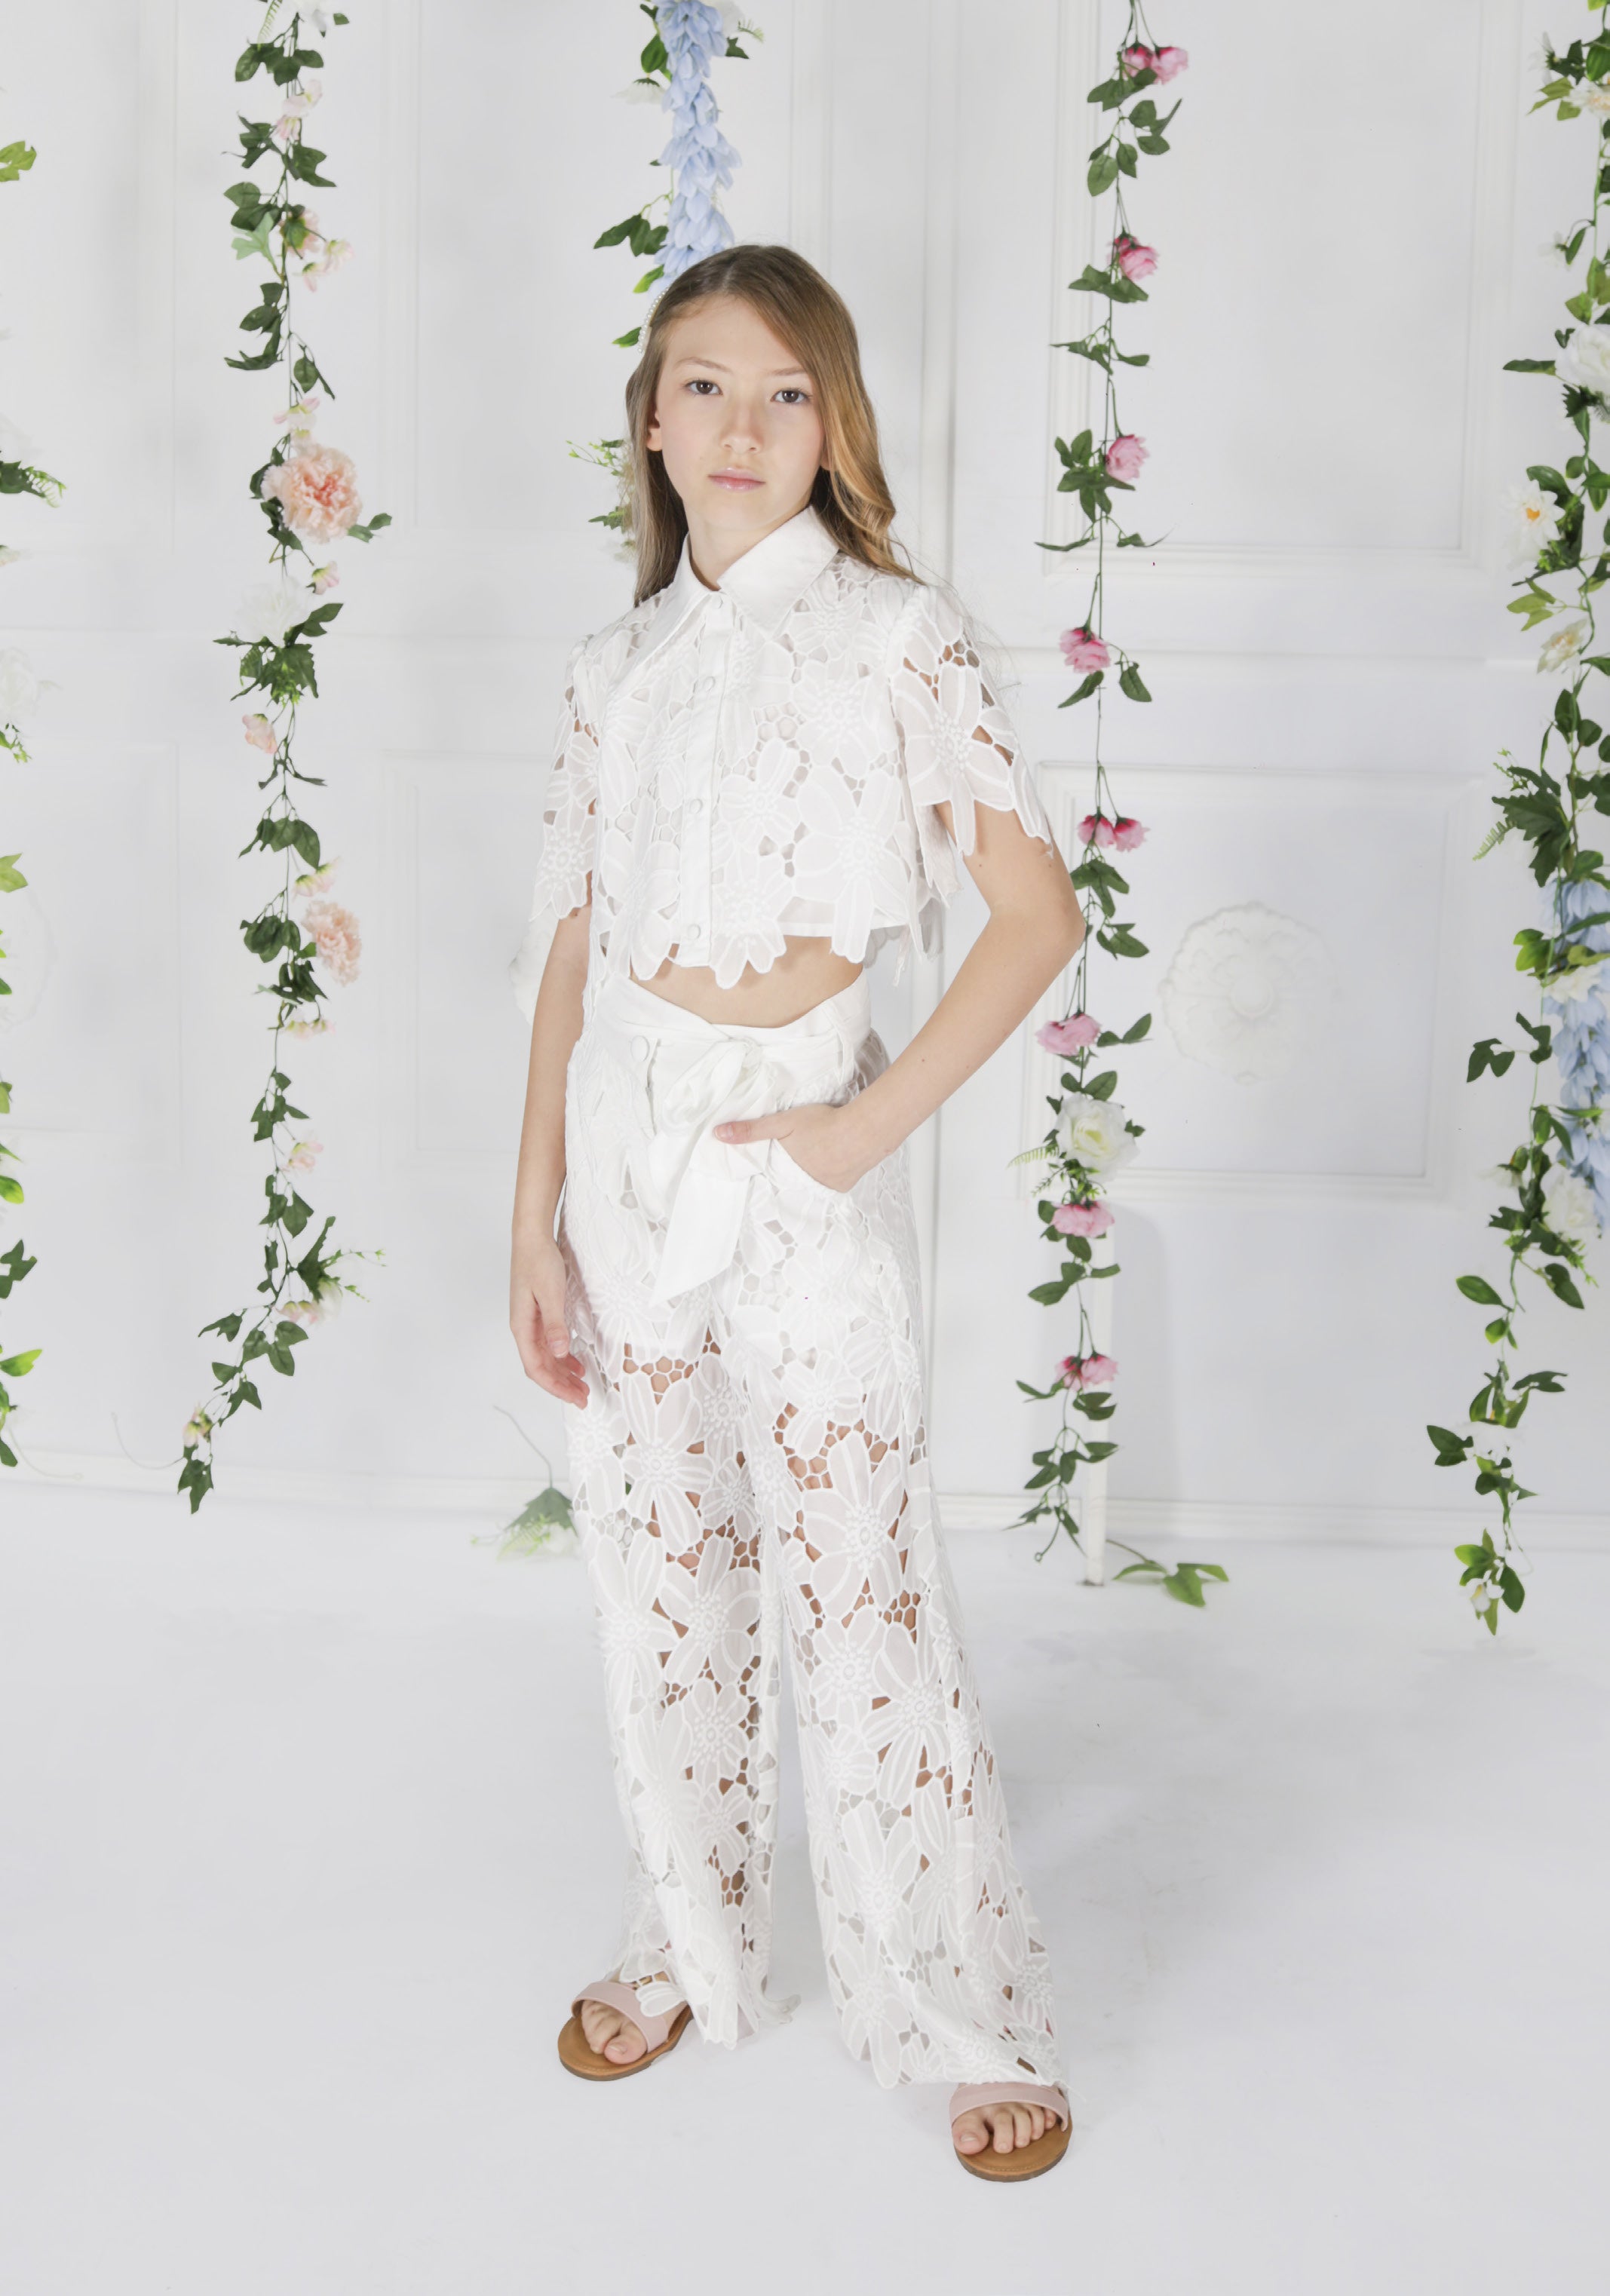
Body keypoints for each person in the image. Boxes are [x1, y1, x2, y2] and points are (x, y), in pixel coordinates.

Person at [507, 242, 1085, 2182]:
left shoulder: (898, 641)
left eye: (782, 389)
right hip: (624, 1161)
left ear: (831, 422)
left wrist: (859, 1135)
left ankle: (958, 2001)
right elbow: (571, 951)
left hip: (796, 1162)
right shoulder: (612, 675)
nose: (740, 425)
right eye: (702, 384)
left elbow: (1036, 919)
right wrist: (533, 1214)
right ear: (649, 421)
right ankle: (684, 1935)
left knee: (861, 1590)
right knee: (664, 1572)